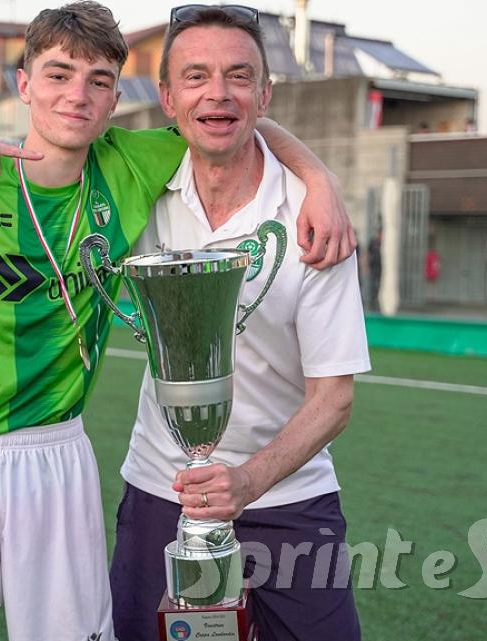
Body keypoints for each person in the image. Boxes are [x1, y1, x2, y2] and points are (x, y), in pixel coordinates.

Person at [0, 3, 354, 640]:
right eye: (58, 75)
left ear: (116, 101)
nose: (77, 95)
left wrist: (319, 179)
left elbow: (231, 117)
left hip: (57, 453)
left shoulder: (126, 166)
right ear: (23, 83)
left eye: (98, 81)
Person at [109, 6, 370, 641]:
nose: (218, 93)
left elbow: (334, 398)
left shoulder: (313, 219)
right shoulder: (140, 186)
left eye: (239, 76)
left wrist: (246, 482)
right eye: (195, 76)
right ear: (167, 98)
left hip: (287, 499)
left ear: (265, 93)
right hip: (161, 491)